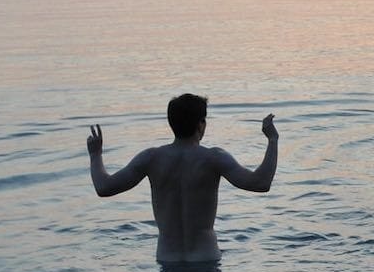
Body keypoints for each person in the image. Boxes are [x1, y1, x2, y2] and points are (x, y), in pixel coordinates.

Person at [87, 93, 278, 263]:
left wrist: (95, 155)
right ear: (201, 124)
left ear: (171, 123)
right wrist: (272, 140)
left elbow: (104, 187)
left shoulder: (151, 158)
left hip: (166, 260)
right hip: (206, 259)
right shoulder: (213, 158)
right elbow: (260, 183)